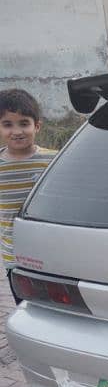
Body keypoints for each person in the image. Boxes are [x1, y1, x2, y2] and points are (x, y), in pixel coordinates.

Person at [0, 89, 57, 304]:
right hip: (14, 258)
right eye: (8, 124)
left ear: (37, 126)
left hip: (51, 253)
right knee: (25, 308)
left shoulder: (53, 160)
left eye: (24, 123)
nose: (17, 131)